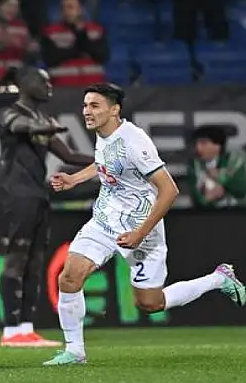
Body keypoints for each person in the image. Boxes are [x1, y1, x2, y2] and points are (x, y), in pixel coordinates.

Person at [44, 83, 245, 366]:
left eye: (95, 106)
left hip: (141, 228)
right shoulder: (105, 134)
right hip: (104, 220)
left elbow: (169, 190)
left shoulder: (134, 142)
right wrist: (74, 179)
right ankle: (75, 351)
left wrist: (141, 233)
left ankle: (219, 279)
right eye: (85, 105)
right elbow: (104, 162)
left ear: (114, 110)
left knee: (150, 303)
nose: (87, 111)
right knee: (69, 278)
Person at [0, 67, 95, 347]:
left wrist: (106, 158)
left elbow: (70, 156)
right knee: (16, 258)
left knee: (35, 262)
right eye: (43, 81)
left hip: (38, 195)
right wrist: (45, 129)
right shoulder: (11, 113)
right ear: (26, 84)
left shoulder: (43, 120)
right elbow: (20, 127)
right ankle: (10, 330)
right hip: (16, 194)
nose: (49, 86)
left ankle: (26, 328)